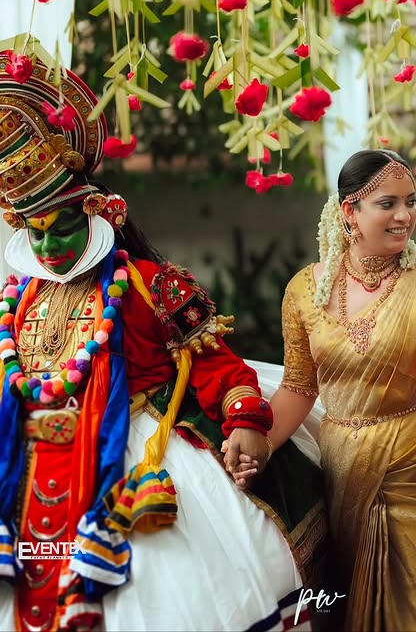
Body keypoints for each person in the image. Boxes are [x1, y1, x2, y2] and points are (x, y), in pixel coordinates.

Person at [0, 43, 326, 632]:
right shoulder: (18, 300)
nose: (48, 250)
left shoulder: (149, 285)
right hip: (38, 461)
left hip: (138, 451)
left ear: (97, 213)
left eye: (61, 231)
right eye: (35, 236)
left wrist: (245, 420)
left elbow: (218, 368)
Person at [232, 147, 416, 631]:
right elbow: (299, 388)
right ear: (349, 213)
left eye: (411, 201)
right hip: (346, 481)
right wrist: (261, 446)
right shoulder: (303, 291)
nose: (405, 215)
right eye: (387, 203)